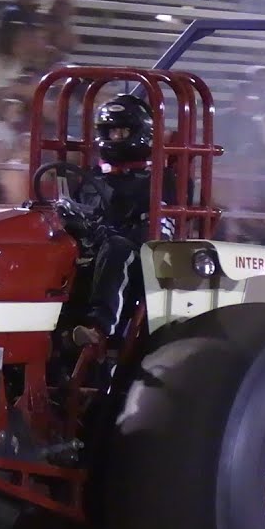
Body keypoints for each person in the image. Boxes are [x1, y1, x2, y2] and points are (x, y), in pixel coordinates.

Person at [67, 94, 175, 347]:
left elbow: (160, 231)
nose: (115, 138)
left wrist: (116, 233)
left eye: (122, 131)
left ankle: (99, 329)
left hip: (138, 256)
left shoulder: (162, 179)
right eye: (111, 131)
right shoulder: (93, 177)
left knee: (118, 248)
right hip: (93, 249)